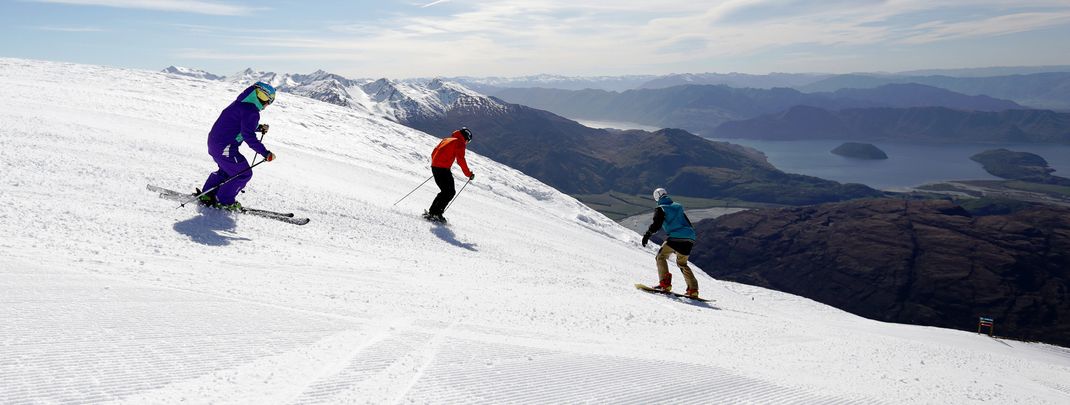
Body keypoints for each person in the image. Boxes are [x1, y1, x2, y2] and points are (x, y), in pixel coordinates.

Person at [198, 81, 277, 211]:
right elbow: (248, 136)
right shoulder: (251, 111)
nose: (266, 104)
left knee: (227, 172)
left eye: (269, 101)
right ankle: (224, 201)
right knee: (243, 174)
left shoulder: (239, 104)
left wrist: (258, 127)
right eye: (265, 98)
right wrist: (265, 153)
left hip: (215, 144)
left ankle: (207, 195)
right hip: (225, 147)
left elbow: (238, 124)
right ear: (255, 94)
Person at [642, 187, 700, 298]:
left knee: (661, 257)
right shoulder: (678, 206)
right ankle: (693, 290)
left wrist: (647, 235)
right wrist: (689, 236)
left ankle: (665, 284)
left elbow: (657, 224)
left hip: (676, 237)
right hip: (690, 237)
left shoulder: (661, 208)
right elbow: (687, 222)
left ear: (656, 198)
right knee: (682, 263)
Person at [424, 127, 475, 223]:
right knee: (449, 192)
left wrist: (437, 164)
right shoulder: (460, 143)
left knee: (445, 191)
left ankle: (433, 212)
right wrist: (469, 174)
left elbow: (434, 152)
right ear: (466, 138)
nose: (467, 143)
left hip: (436, 167)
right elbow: (461, 160)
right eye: (468, 141)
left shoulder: (447, 139)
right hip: (443, 169)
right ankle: (436, 214)